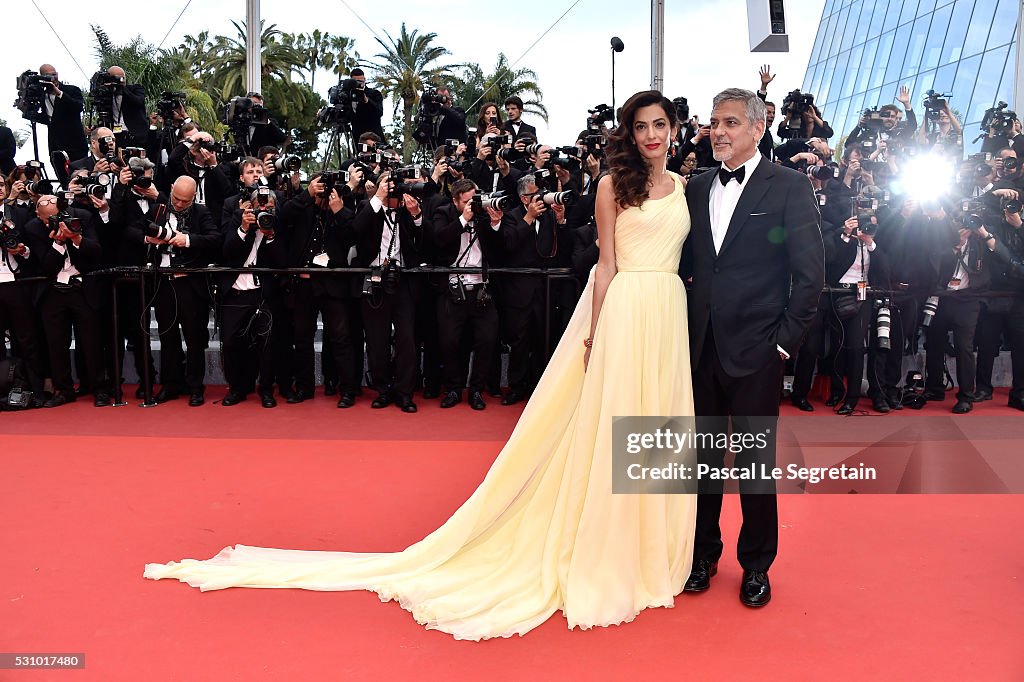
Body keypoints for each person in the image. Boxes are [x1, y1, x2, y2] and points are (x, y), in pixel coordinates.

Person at [145, 90, 697, 641]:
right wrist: (596, 332)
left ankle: (651, 544)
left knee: (658, 426)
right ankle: (612, 546)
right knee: (613, 428)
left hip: (667, 316)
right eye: (642, 125)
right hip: (625, 314)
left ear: (674, 128)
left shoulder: (684, 188)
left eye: (660, 124)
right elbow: (604, 265)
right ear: (629, 131)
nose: (652, 134)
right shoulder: (611, 186)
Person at [680, 88, 823, 606]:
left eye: (731, 123)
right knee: (704, 465)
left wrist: (782, 345)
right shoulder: (695, 188)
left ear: (759, 129)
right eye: (715, 121)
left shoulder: (787, 186)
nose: (718, 131)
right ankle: (701, 554)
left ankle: (757, 564)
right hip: (700, 349)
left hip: (759, 351)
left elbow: (810, 277)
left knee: (755, 467)